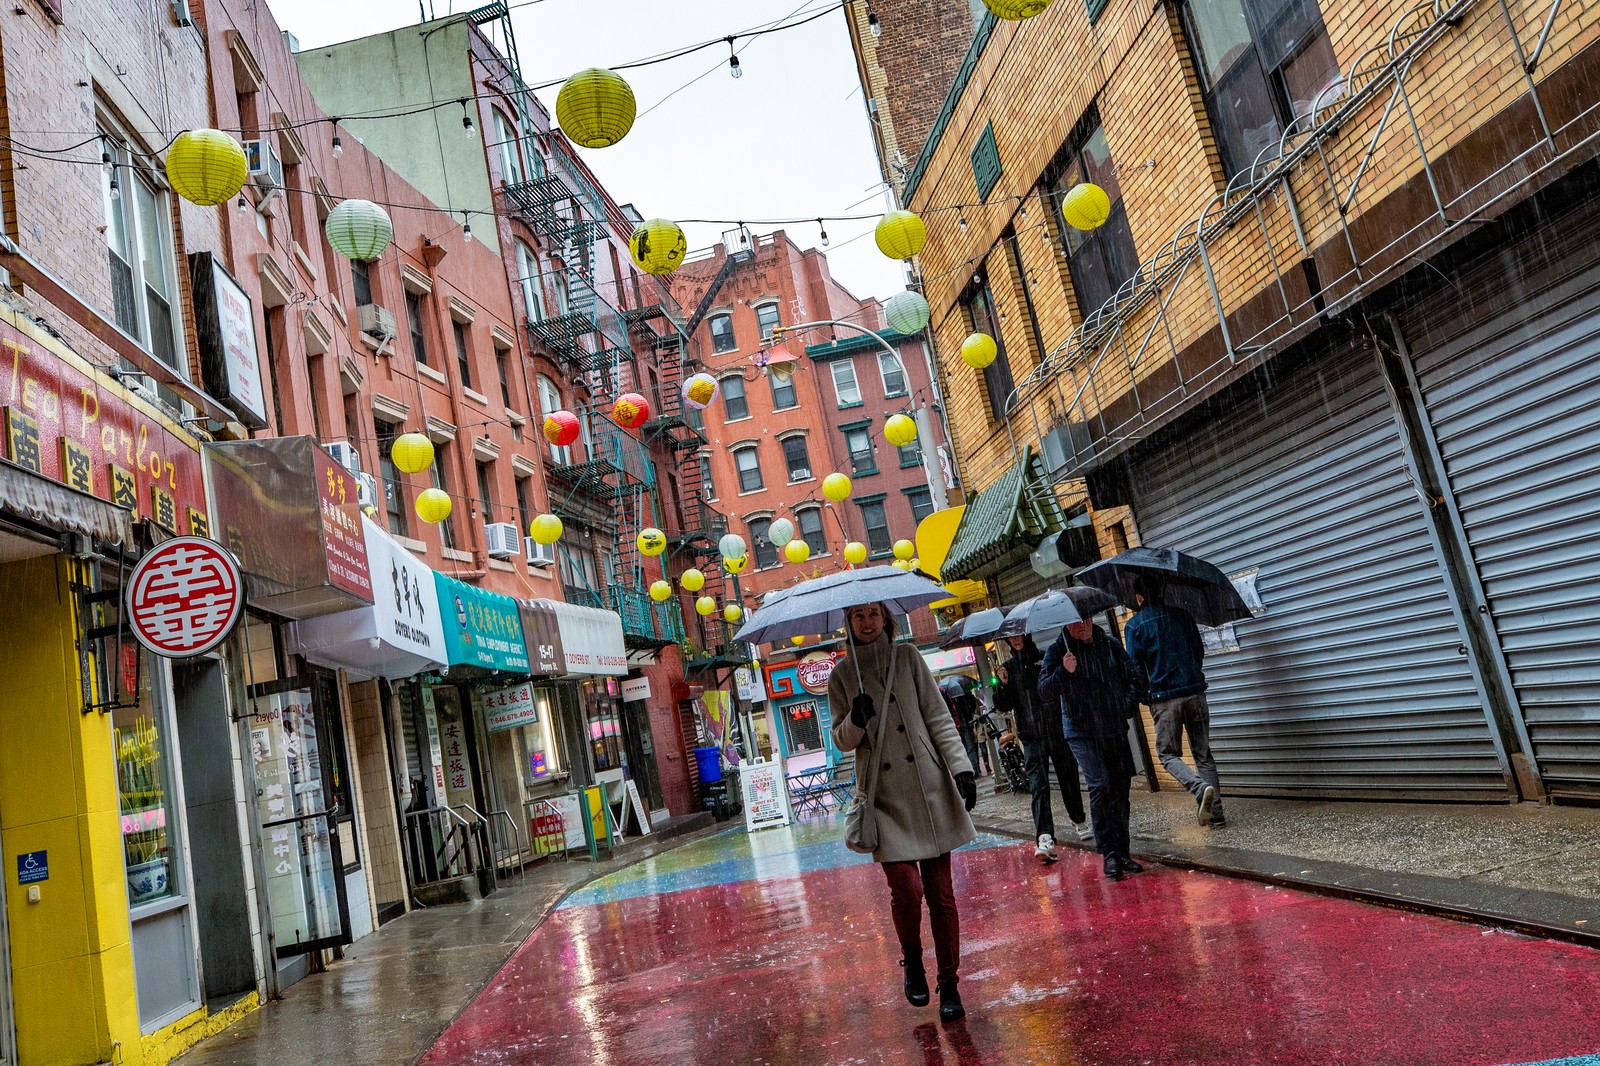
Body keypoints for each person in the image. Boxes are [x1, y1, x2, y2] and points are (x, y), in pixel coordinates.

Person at [831, 602, 978, 1022]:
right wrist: (857, 720)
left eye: (873, 614)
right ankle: (912, 960)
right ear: (848, 622)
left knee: (942, 896)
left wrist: (962, 768)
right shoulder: (842, 676)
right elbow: (841, 739)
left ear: (886, 618)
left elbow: (937, 716)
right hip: (883, 799)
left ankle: (949, 983)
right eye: (857, 615)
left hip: (928, 789)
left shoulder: (908, 657)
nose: (866, 622)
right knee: (907, 890)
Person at [1039, 617, 1148, 880]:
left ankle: (1123, 851)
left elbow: (1134, 678)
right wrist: (1064, 672)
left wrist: (1125, 705)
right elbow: (1043, 691)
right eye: (1074, 622)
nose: (1082, 625)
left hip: (1112, 728)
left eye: (1085, 619)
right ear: (1065, 624)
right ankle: (1108, 852)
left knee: (1120, 789)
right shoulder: (1058, 650)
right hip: (1081, 732)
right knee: (1100, 785)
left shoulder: (1109, 644)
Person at [1124, 575, 1224, 827]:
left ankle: (1200, 789)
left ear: (1139, 597)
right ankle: (1217, 815)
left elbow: (1134, 668)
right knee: (1203, 755)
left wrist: (1145, 695)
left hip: (1164, 697)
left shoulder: (1135, 625)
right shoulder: (1183, 615)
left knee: (1167, 755)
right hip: (1195, 692)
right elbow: (1198, 652)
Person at [995, 634, 1091, 863]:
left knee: (1068, 777)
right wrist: (1003, 684)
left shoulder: (1045, 658)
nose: (1015, 640)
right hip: (1030, 737)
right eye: (1010, 638)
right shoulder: (1008, 668)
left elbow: (1060, 687)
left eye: (1018, 636)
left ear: (1026, 636)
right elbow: (1003, 705)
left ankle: (1078, 819)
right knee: (1038, 785)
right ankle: (1045, 836)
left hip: (1056, 730)